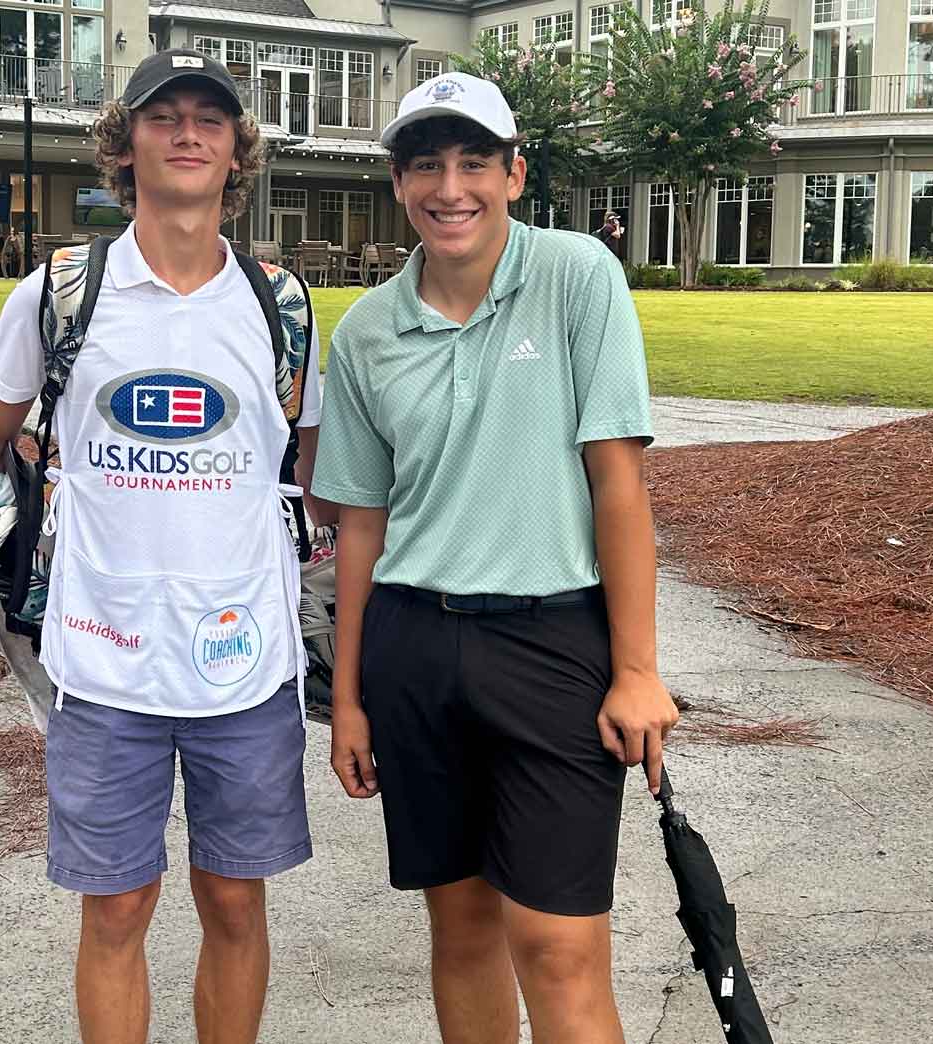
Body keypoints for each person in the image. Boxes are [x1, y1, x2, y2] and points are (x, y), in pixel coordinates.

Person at [0, 49, 322, 1044]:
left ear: (237, 154)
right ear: (124, 144)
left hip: (246, 663)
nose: (186, 133)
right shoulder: (60, 293)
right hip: (103, 664)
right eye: (162, 116)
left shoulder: (282, 308)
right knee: (116, 912)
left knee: (235, 906)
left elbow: (318, 486)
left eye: (209, 120)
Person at [312, 72, 676, 1044]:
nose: (450, 185)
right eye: (426, 163)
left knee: (558, 946)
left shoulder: (573, 278)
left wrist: (636, 669)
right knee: (461, 928)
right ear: (397, 183)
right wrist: (347, 698)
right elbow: (361, 526)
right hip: (413, 650)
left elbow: (616, 483)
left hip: (554, 644)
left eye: (474, 160)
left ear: (514, 174)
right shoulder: (365, 334)